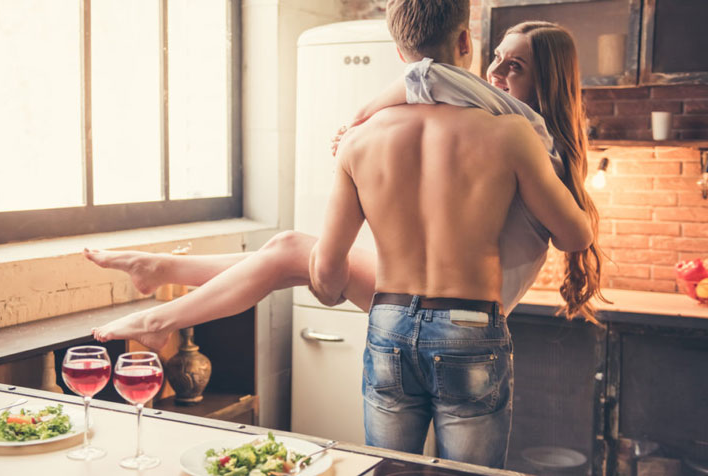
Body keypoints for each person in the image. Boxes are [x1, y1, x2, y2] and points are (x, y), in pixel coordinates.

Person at [85, 18, 603, 352]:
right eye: (496, 57)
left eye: (516, 66)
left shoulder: (527, 131)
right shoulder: (513, 125)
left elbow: (427, 74)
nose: (495, 72)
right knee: (286, 248)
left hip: (464, 301)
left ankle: (161, 317)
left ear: (548, 80)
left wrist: (360, 119)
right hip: (448, 294)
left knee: (289, 253)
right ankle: (163, 272)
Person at [308, 0, 592, 468]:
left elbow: (326, 272)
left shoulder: (358, 141)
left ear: (399, 54)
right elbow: (575, 236)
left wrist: (328, 286)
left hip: (389, 324)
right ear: (466, 42)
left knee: (391, 471)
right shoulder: (511, 134)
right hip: (470, 328)